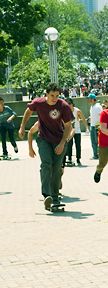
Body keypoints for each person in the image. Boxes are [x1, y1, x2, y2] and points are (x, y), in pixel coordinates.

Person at [18, 82, 73, 210]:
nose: (55, 98)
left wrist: (62, 143)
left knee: (56, 169)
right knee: (46, 164)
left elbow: (68, 126)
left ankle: (54, 197)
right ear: (46, 94)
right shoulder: (38, 103)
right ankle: (46, 194)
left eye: (57, 95)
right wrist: (22, 127)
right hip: (43, 138)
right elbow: (28, 110)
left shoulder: (63, 106)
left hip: (59, 139)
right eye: (52, 95)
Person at [65, 98, 88, 165]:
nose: (68, 105)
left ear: (72, 104)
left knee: (78, 145)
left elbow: (83, 119)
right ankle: (69, 158)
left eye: (69, 103)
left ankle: (78, 159)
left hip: (77, 131)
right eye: (67, 103)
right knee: (69, 145)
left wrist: (86, 128)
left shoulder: (77, 111)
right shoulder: (65, 111)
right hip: (69, 132)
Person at [88, 93, 102, 160]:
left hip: (97, 126)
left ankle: (100, 154)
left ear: (92, 99)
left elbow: (102, 115)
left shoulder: (98, 106)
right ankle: (95, 154)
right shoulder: (91, 107)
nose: (88, 100)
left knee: (98, 141)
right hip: (92, 126)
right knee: (93, 141)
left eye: (89, 98)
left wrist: (101, 125)